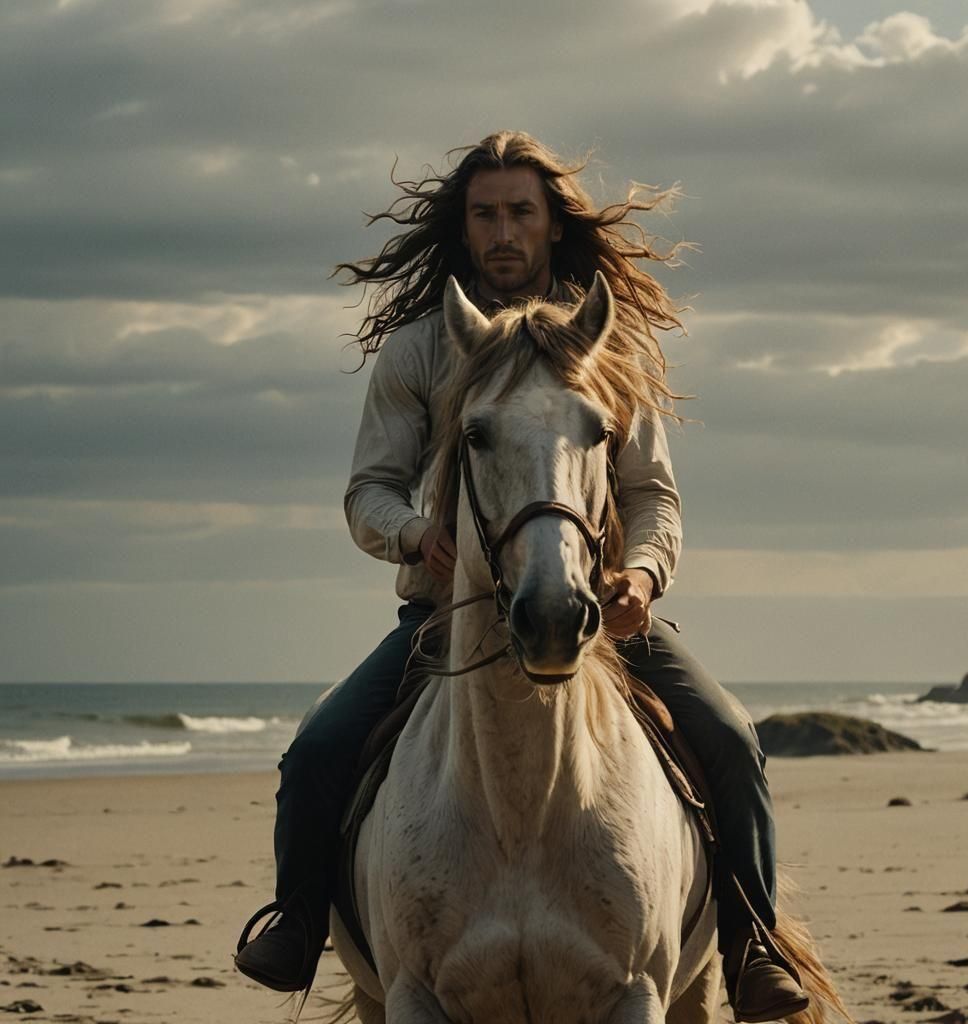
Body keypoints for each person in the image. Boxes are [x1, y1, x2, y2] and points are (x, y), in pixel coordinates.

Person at [234, 130, 808, 1023]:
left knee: (730, 737)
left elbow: (653, 497)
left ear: (549, 226)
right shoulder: (424, 351)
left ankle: (752, 943)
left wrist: (644, 580)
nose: (504, 231)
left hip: (599, 614)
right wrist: (418, 534)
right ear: (464, 230)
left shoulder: (613, 348)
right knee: (315, 753)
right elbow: (368, 492)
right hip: (444, 619)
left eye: (521, 213)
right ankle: (300, 920)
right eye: (486, 214)